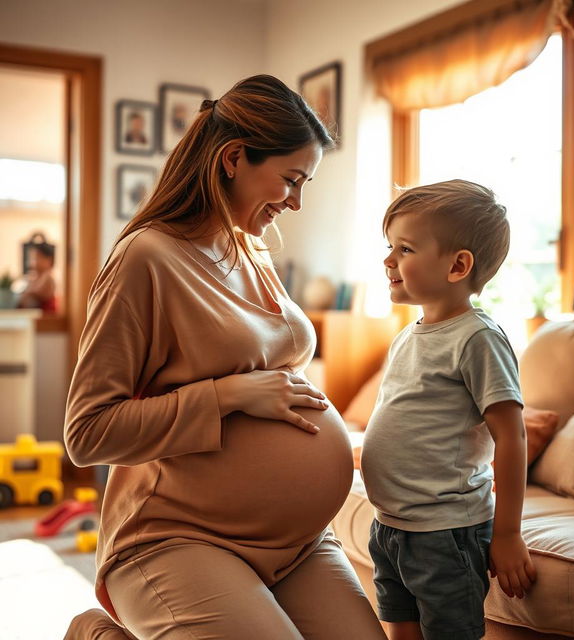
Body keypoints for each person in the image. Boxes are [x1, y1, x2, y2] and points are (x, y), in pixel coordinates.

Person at [64, 75, 387, 640]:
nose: (297, 201)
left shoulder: (247, 247)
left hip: (299, 543)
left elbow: (278, 381)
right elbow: (88, 434)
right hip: (178, 535)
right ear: (234, 158)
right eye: (291, 180)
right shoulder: (147, 259)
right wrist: (227, 395)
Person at [360, 180, 537, 640]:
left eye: (404, 249)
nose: (388, 261)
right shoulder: (407, 335)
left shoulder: (478, 339)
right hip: (390, 527)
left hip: (446, 533)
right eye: (389, 246)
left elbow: (512, 436)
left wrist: (508, 534)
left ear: (458, 266)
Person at [17, 238, 56, 313]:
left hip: (44, 318)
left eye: (37, 257)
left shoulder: (48, 277)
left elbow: (40, 293)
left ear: (49, 260)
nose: (33, 261)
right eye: (31, 258)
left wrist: (28, 293)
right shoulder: (34, 277)